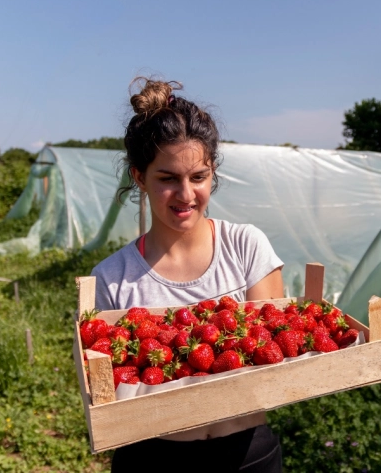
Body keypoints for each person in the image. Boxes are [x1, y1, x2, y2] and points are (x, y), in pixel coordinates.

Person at [90, 78, 285, 472]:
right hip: (152, 457)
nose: (185, 194)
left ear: (213, 173)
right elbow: (106, 391)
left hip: (247, 452)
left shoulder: (245, 247)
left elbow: (277, 359)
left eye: (198, 177)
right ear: (139, 177)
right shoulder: (112, 277)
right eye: (167, 179)